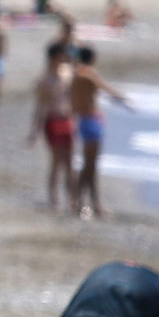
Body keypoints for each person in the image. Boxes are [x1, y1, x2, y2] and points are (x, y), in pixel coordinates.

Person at [69, 46, 130, 219]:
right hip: (91, 121)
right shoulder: (86, 73)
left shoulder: (75, 74)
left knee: (90, 164)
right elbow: (104, 87)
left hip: (85, 120)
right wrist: (121, 98)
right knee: (90, 165)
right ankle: (85, 203)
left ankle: (89, 203)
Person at [28, 42, 75, 212]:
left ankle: (72, 199)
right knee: (56, 161)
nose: (65, 58)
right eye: (62, 55)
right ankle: (53, 198)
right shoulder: (45, 80)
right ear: (54, 57)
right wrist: (34, 132)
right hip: (53, 121)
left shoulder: (67, 74)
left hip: (67, 119)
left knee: (69, 161)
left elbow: (72, 99)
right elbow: (40, 107)